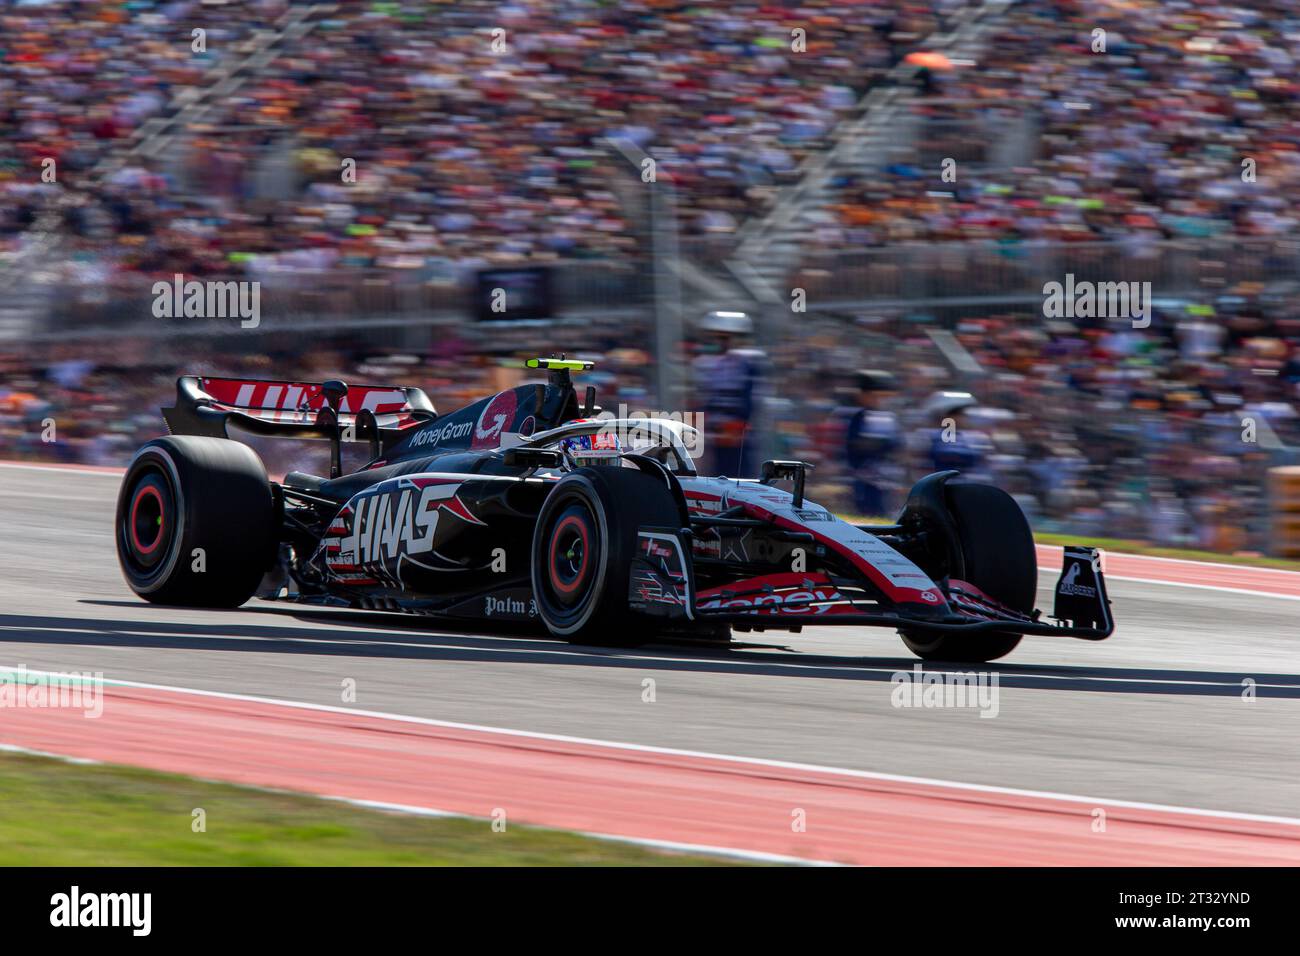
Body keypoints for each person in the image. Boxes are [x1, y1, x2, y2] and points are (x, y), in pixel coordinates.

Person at [692, 311, 764, 477]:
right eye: (715, 337)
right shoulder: (707, 363)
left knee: (740, 479)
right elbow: (704, 399)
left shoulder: (749, 363)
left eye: (723, 338)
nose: (718, 343)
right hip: (715, 439)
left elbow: (749, 402)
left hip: (739, 440)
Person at [844, 369, 901, 516]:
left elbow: (898, 444)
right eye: (876, 396)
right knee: (867, 513)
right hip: (865, 476)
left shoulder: (889, 416)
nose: (881, 400)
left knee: (884, 514)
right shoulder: (858, 416)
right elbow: (856, 444)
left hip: (886, 476)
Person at [924, 390, 992, 478]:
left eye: (962, 414)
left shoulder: (977, 439)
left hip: (968, 486)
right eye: (956, 414)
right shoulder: (928, 437)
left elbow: (984, 466)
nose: (962, 418)